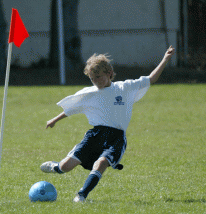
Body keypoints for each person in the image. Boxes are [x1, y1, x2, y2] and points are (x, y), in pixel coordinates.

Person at [40, 46, 175, 202]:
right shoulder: (90, 93)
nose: (96, 81)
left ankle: (81, 195)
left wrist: (165, 58)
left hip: (116, 138)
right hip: (95, 135)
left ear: (109, 73)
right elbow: (72, 109)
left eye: (98, 77)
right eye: (92, 78)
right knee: (66, 167)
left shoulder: (125, 88)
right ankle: (56, 167)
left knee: (102, 163)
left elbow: (151, 78)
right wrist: (55, 120)